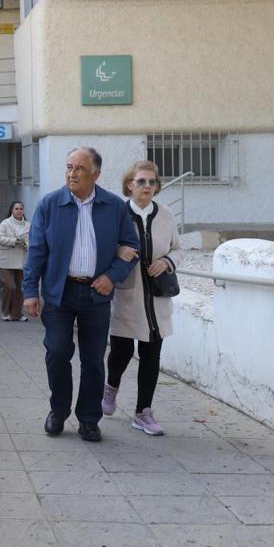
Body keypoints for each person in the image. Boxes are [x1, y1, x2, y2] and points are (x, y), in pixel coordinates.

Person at [22, 147, 138, 443]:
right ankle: (58, 411)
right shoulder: (49, 205)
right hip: (59, 293)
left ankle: (88, 418)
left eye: (79, 169)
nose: (72, 174)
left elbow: (130, 250)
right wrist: (29, 291)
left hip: (96, 295)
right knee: (57, 352)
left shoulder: (114, 206)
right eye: (69, 167)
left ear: (96, 174)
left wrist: (111, 278)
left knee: (93, 360)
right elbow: (36, 251)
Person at [104, 160, 182, 436]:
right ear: (129, 184)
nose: (147, 186)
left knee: (152, 355)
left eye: (152, 182)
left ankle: (143, 412)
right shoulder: (116, 213)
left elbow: (178, 249)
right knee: (121, 352)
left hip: (157, 301)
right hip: (127, 296)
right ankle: (111, 387)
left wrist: (167, 262)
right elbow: (103, 249)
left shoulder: (167, 215)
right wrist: (117, 253)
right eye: (141, 181)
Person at [0, 201, 30, 322]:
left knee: (19, 288)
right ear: (11, 210)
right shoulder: (5, 223)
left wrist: (25, 244)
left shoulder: (28, 225)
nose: (19, 211)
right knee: (10, 286)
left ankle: (16, 314)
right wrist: (13, 241)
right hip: (6, 261)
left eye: (21, 208)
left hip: (21, 261)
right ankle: (5, 311)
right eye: (16, 209)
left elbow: (34, 241)